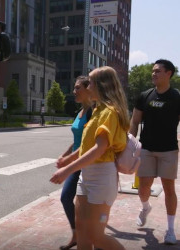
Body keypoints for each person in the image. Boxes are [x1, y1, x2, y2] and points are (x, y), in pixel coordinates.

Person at [50, 66, 129, 250]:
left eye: (91, 82)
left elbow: (99, 149)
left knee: (96, 236)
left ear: (101, 85)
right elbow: (87, 147)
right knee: (83, 232)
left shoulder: (109, 112)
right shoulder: (97, 111)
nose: (88, 86)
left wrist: (67, 170)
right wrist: (67, 160)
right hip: (87, 176)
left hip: (101, 178)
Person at [130, 59, 180, 245]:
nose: (153, 74)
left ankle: (171, 229)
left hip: (169, 151)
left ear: (169, 73)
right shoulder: (144, 96)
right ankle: (145, 207)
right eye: (153, 71)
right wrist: (131, 142)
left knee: (169, 190)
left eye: (157, 71)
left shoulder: (177, 97)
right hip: (147, 149)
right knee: (143, 188)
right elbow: (135, 121)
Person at [58, 76, 92, 250]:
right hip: (75, 163)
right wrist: (65, 155)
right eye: (74, 87)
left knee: (86, 206)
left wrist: (68, 160)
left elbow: (90, 144)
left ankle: (93, 239)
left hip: (88, 164)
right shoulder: (80, 112)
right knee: (66, 198)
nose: (74, 91)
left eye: (78, 87)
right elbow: (78, 139)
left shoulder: (93, 112)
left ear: (88, 89)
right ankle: (76, 236)